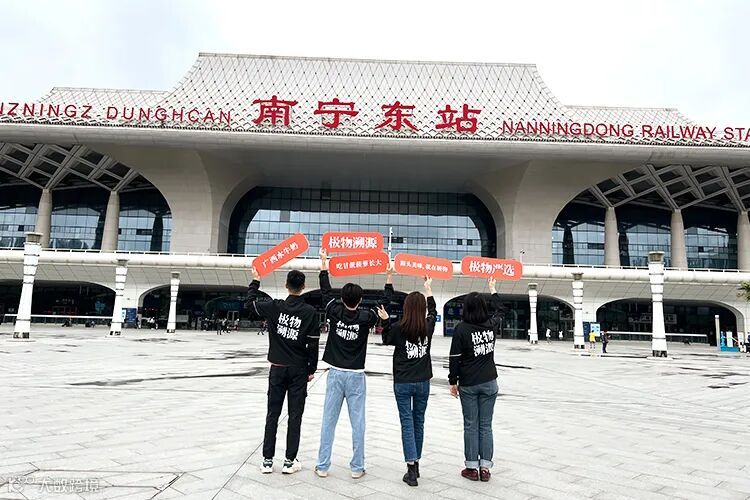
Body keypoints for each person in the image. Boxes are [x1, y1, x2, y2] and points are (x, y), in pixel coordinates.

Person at [314, 250, 393, 479]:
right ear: (359, 301)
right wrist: (388, 277)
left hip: (335, 373)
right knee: (358, 422)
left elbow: (325, 291)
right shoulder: (366, 317)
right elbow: (384, 303)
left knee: (328, 421)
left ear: (342, 299)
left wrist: (324, 263)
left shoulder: (334, 311)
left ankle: (322, 466)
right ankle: (357, 467)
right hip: (356, 375)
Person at [247, 267, 320, 475]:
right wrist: (311, 369)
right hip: (298, 369)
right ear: (303, 287)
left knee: (273, 413)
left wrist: (255, 281)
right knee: (295, 415)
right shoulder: (310, 312)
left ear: (286, 285)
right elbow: (313, 344)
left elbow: (250, 304)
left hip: (277, 368)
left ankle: (267, 460)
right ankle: (289, 461)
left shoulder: (274, 307)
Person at [381, 276, 436, 487]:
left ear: (406, 308)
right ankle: (416, 464)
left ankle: (411, 469)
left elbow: (386, 339)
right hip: (423, 381)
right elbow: (433, 312)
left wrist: (385, 320)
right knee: (418, 421)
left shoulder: (398, 328)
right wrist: (428, 290)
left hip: (403, 382)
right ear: (422, 309)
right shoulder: (428, 327)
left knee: (407, 423)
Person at [448, 278, 503, 482]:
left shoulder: (461, 329)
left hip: (469, 383)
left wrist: (452, 381)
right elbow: (501, 311)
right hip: (489, 381)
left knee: (471, 425)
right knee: (486, 425)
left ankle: (471, 468)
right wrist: (493, 290)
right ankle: (485, 468)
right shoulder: (490, 325)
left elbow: (454, 358)